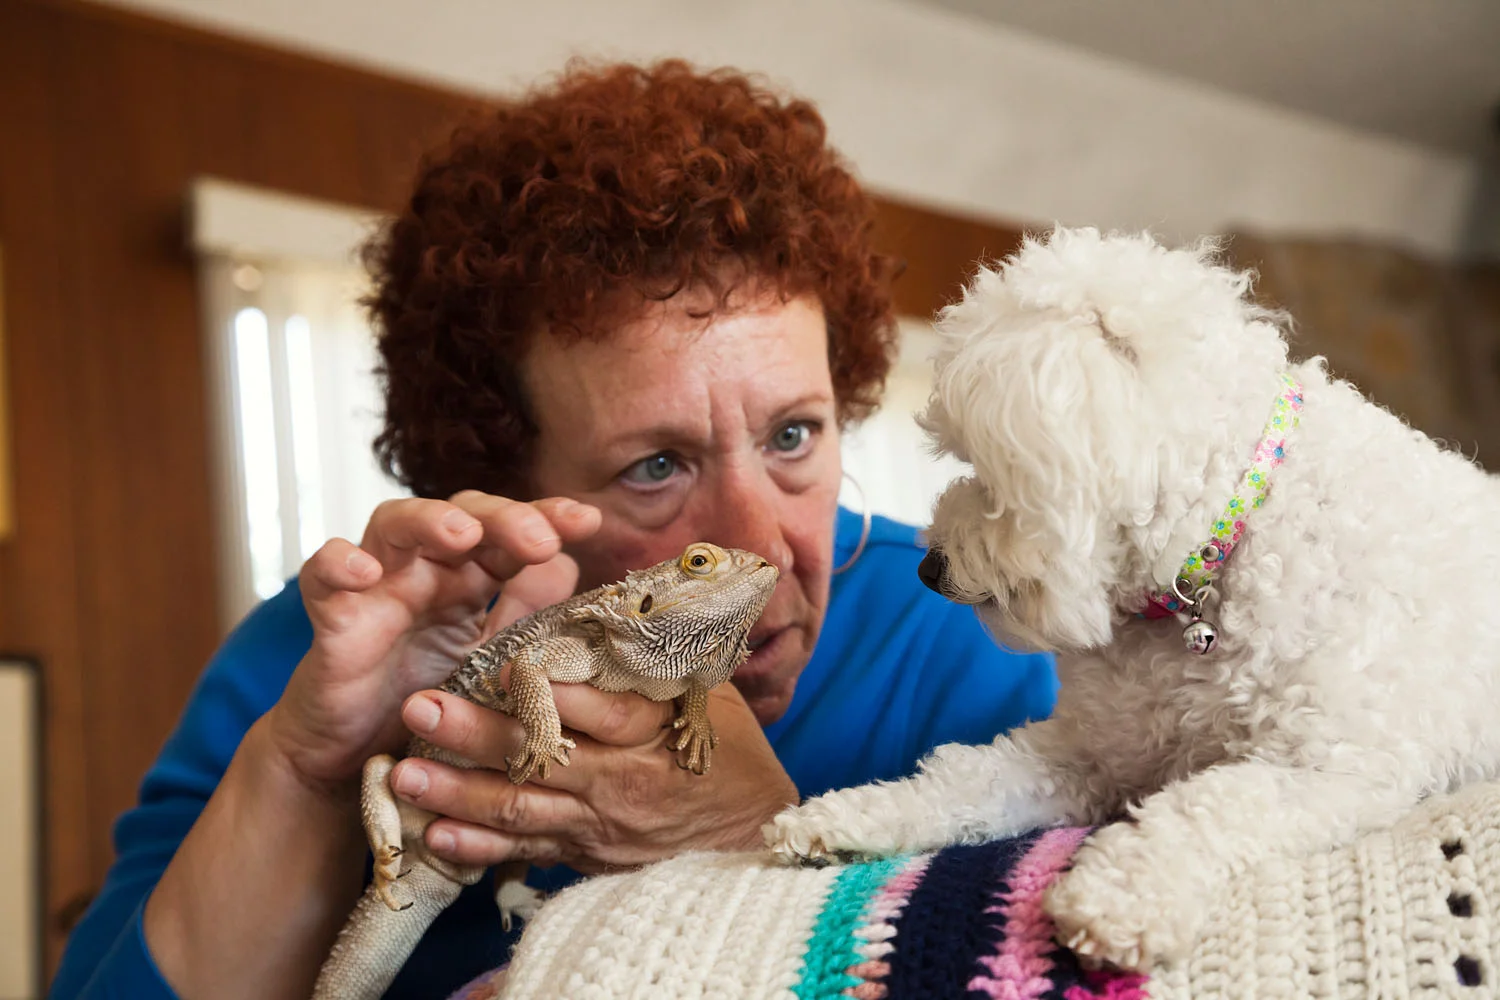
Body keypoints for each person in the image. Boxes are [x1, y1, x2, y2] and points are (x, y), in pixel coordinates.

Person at [49, 60, 1057, 1000]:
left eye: (794, 434)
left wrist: (752, 842)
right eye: (655, 466)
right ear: (506, 493)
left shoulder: (967, 634)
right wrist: (306, 777)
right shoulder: (341, 655)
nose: (757, 541)